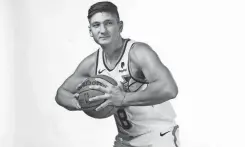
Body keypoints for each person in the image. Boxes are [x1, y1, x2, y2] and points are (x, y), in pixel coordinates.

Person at [55, 1, 179, 147]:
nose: (103, 30)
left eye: (108, 23)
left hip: (158, 135)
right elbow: (61, 93)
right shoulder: (92, 63)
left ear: (120, 26)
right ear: (90, 31)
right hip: (125, 139)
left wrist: (124, 98)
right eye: (96, 25)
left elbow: (169, 89)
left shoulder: (138, 53)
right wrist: (81, 102)